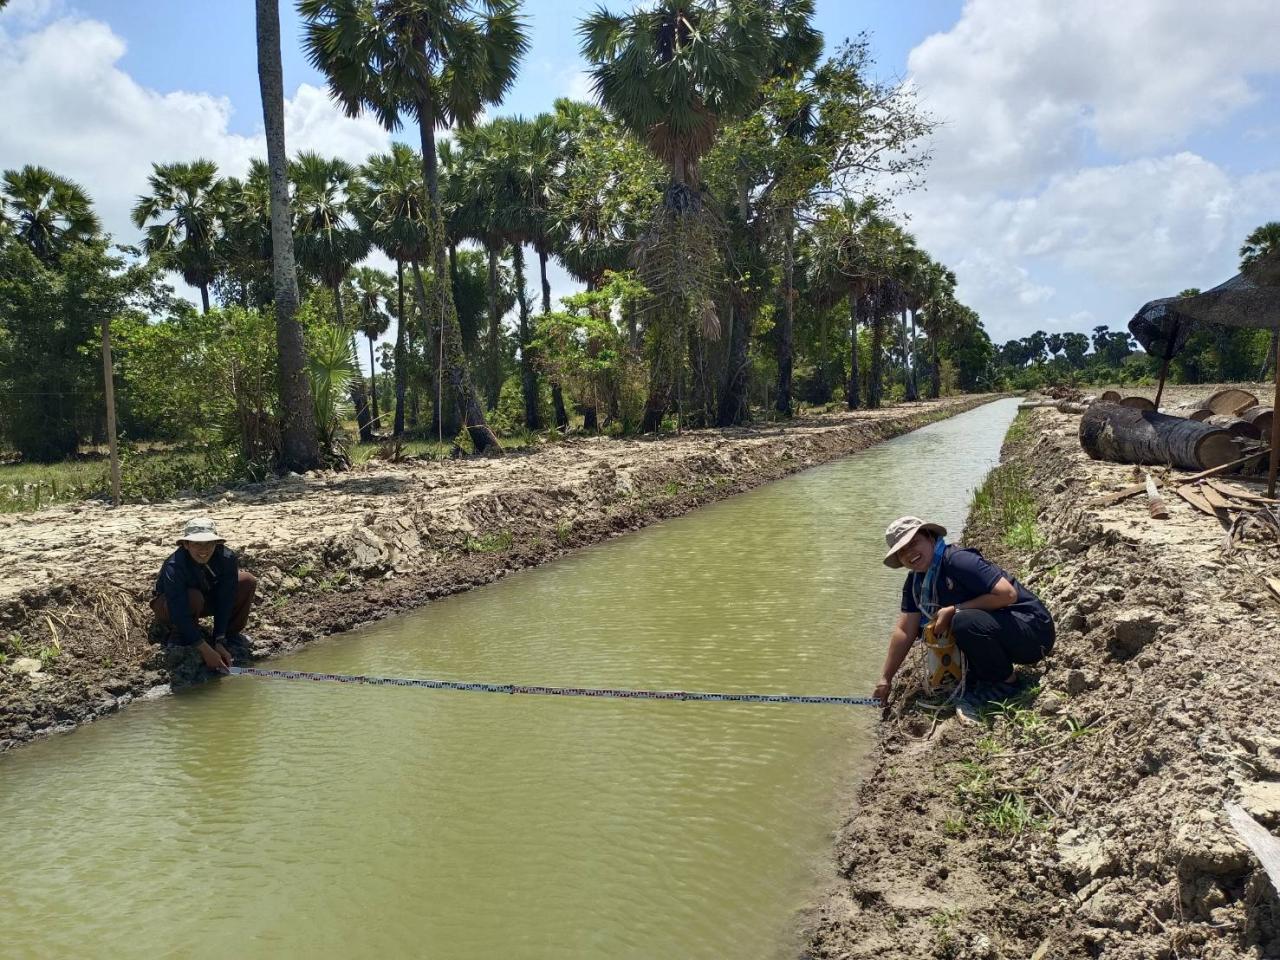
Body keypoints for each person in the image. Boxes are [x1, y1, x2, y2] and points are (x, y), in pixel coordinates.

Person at [872, 516, 1054, 719]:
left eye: (914, 543)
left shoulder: (957, 560)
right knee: (943, 625)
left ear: (930, 538)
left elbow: (1007, 595)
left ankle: (1006, 683)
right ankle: (981, 674)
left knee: (961, 620)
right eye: (902, 551)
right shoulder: (915, 583)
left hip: (1032, 632)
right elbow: (905, 630)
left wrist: (954, 609)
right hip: (1000, 631)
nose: (909, 553)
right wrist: (886, 679)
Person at [150, 518, 256, 675]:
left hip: (206, 600)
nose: (203, 550)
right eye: (197, 544)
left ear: (216, 544)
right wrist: (204, 649)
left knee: (247, 581)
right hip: (171, 607)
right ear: (186, 545)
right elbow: (177, 608)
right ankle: (180, 635)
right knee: (193, 597)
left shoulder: (227, 558)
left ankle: (229, 635)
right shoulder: (174, 565)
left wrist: (219, 639)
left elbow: (226, 597)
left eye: (209, 544)